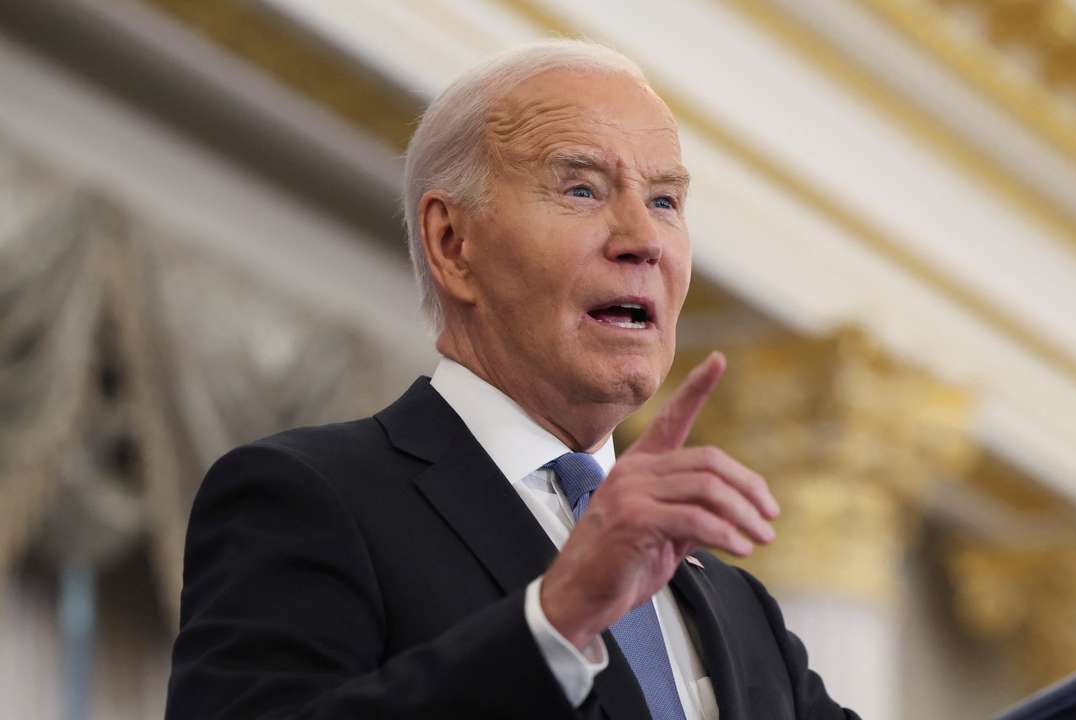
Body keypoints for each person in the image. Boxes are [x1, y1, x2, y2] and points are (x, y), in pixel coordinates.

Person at [165, 40, 861, 720]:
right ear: (453, 244)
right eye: (582, 188)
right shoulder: (308, 499)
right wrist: (556, 619)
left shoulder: (740, 612)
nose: (643, 240)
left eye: (664, 202)